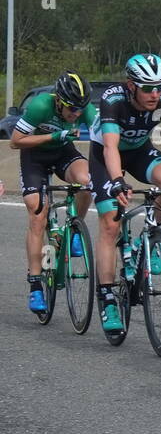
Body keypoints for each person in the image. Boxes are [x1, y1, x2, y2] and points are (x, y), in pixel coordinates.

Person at [88, 54, 161, 332]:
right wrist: (117, 180)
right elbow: (110, 148)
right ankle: (107, 299)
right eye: (147, 88)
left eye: (159, 87)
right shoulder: (113, 99)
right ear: (131, 85)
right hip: (106, 156)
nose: (155, 94)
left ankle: (149, 238)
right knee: (110, 224)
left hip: (140, 151)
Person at [10, 72, 96, 312]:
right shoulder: (40, 106)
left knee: (87, 182)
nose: (76, 114)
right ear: (58, 100)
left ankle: (75, 229)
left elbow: (103, 140)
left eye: (80, 109)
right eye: (71, 109)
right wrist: (52, 135)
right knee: (38, 214)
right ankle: (36, 285)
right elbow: (15, 141)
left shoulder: (84, 109)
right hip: (34, 157)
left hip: (63, 152)